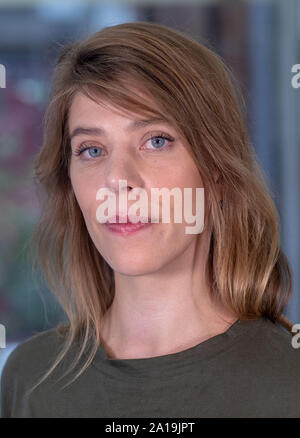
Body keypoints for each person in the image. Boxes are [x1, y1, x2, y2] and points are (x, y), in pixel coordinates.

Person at [1, 21, 300, 419]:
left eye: (156, 141)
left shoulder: (289, 381)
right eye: (91, 150)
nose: (118, 180)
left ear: (217, 173)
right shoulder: (30, 379)